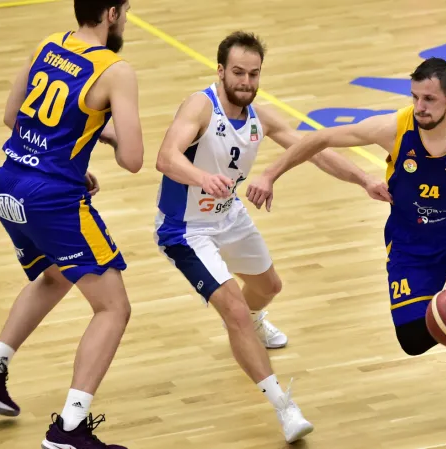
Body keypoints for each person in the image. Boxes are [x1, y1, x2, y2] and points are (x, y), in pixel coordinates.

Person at [245, 57, 446, 422]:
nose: (420, 107)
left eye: (429, 99)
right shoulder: (394, 129)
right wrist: (269, 174)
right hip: (411, 240)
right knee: (411, 340)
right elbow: (321, 138)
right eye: (415, 98)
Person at [153, 30, 390, 443]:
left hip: (230, 216)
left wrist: (364, 179)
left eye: (254, 74)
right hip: (186, 229)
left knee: (268, 287)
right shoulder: (200, 106)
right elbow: (166, 157)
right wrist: (202, 178)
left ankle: (256, 322)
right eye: (238, 73)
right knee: (235, 312)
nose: (246, 81)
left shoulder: (260, 115)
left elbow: (313, 149)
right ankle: (284, 406)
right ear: (221, 71)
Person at [0, 1, 143, 447]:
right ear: (113, 13)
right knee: (114, 308)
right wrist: (107, 130)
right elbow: (134, 159)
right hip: (51, 199)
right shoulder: (116, 70)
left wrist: (76, 147)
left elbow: (13, 117)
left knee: (56, 274)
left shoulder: (47, 45)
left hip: (7, 183)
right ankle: (69, 429)